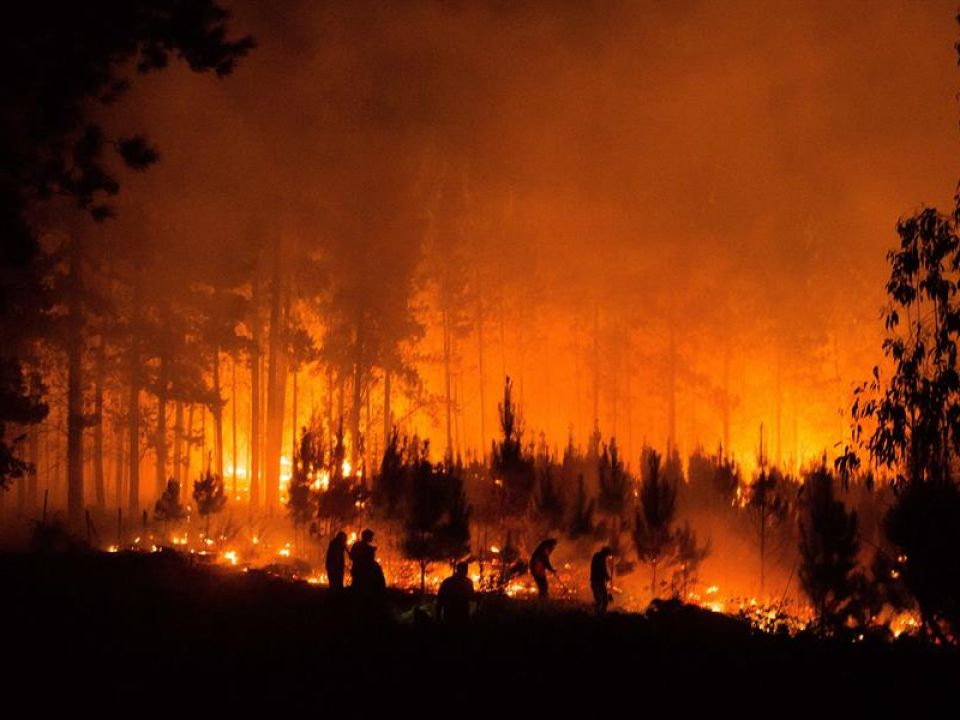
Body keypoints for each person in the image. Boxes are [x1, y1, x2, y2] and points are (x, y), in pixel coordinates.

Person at [436, 561, 475, 626]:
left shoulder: (447, 581)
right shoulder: (468, 582)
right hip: (462, 614)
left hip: (450, 613)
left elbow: (440, 599)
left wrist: (438, 616)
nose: (466, 572)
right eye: (465, 570)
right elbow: (471, 596)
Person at [349, 528, 384, 594]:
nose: (372, 538)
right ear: (367, 537)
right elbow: (369, 562)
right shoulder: (369, 549)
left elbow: (351, 557)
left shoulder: (356, 545)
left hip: (356, 571)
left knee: (356, 591)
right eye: (371, 536)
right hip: (364, 573)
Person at [590, 546, 613, 615]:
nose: (608, 556)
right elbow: (602, 569)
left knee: (599, 601)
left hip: (594, 581)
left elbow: (602, 569)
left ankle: (596, 615)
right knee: (605, 601)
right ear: (605, 553)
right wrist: (607, 577)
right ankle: (601, 615)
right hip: (598, 582)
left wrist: (607, 577)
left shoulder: (597, 556)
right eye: (607, 554)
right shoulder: (600, 558)